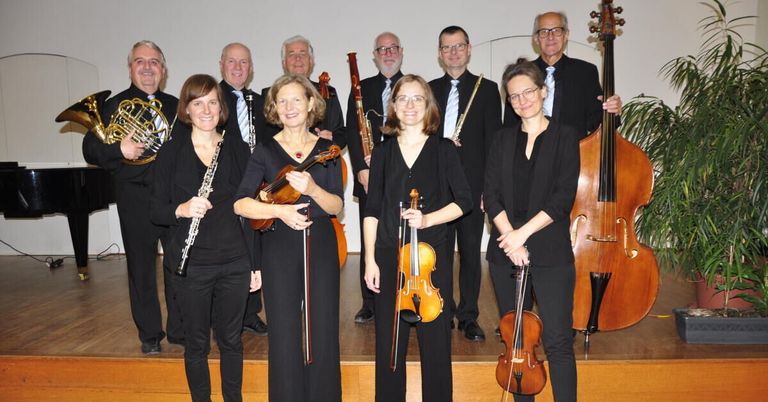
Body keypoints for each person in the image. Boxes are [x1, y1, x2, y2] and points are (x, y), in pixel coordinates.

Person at [234, 74, 343, 402]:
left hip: (320, 244)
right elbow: (241, 203)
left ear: (311, 104)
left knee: (323, 327)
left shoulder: (328, 150)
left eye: (297, 99)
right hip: (278, 246)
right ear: (274, 108)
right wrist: (281, 212)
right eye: (282, 101)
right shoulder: (265, 151)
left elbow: (337, 204)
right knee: (282, 330)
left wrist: (312, 189)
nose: (289, 107)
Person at [364, 74, 472, 402]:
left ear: (428, 106)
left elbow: (464, 201)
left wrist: (428, 218)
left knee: (436, 344)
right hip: (388, 253)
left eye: (417, 99)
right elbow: (371, 208)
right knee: (389, 346)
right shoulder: (381, 153)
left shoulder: (443, 150)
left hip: (431, 256)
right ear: (393, 106)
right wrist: (369, 258)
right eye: (403, 99)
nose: (410, 105)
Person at [150, 74, 254, 402]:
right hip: (192, 265)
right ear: (187, 109)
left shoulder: (237, 148)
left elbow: (253, 207)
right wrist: (181, 209)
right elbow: (156, 211)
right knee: (196, 343)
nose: (206, 109)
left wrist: (256, 263)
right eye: (198, 103)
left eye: (212, 102)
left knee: (231, 341)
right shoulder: (171, 153)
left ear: (221, 108)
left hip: (235, 261)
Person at [485, 58, 580, 402]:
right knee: (518, 342)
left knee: (557, 341)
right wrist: (510, 239)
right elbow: (491, 193)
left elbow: (562, 198)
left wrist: (520, 236)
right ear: (508, 102)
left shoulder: (565, 136)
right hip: (504, 252)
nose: (523, 100)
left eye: (529, 92)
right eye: (514, 96)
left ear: (543, 91)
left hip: (551, 251)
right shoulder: (501, 139)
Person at [82, 40, 183, 355]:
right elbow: (90, 149)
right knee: (141, 269)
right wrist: (119, 150)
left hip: (171, 199)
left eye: (154, 61)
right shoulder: (114, 106)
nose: (148, 67)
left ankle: (180, 329)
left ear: (163, 70)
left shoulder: (176, 106)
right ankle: (150, 334)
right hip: (135, 197)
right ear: (131, 68)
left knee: (179, 265)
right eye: (141, 61)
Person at [429, 25, 502, 341]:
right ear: (440, 53)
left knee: (471, 253)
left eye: (458, 46)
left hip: (472, 188)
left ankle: (469, 316)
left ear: (469, 49)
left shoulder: (486, 90)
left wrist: (490, 189)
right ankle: (443, 311)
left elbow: (493, 144)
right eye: (447, 47)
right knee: (440, 254)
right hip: (437, 186)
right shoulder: (429, 89)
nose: (453, 52)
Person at [345, 31, 404, 324]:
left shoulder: (412, 86)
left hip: (402, 174)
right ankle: (369, 301)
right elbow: (353, 135)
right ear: (374, 55)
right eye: (382, 49)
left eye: (393, 48)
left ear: (401, 51)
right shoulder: (362, 88)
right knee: (370, 236)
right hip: (370, 174)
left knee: (401, 236)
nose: (388, 53)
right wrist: (361, 170)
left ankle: (403, 294)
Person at [503, 11, 622, 138]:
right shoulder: (521, 74)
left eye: (557, 30)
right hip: (528, 153)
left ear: (566, 35)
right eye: (544, 31)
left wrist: (613, 111)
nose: (550, 37)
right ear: (536, 38)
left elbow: (596, 124)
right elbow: (509, 127)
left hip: (572, 154)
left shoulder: (586, 72)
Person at [219, 42, 269, 336]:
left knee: (253, 250)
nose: (238, 68)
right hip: (224, 186)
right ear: (221, 64)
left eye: (244, 63)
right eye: (232, 62)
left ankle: (250, 313)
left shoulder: (258, 101)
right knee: (227, 253)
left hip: (254, 186)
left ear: (250, 68)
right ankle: (227, 316)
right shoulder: (212, 98)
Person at [262, 35, 346, 149]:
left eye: (303, 53)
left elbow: (341, 132)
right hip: (282, 162)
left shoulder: (329, 92)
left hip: (321, 160)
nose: (298, 58)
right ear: (283, 63)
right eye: (291, 54)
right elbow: (265, 136)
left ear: (311, 61)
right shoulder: (269, 94)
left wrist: (332, 138)